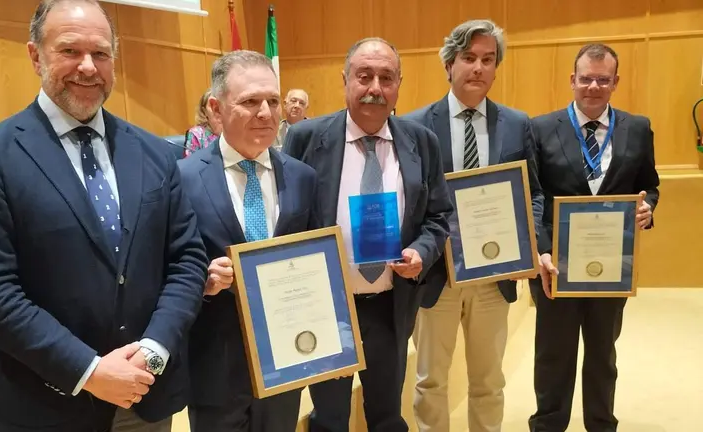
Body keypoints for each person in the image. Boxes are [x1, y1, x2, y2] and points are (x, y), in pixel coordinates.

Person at [0, 1, 208, 431]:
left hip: (145, 394)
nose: (88, 67)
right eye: (70, 50)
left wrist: (155, 349)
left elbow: (187, 260)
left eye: (101, 53)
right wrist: (90, 371)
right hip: (48, 402)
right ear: (35, 55)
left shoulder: (154, 153)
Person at [283, 37, 452, 432]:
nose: (375, 88)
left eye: (386, 78)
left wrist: (421, 252)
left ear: (398, 85)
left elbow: (439, 215)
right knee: (329, 418)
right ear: (345, 80)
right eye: (364, 76)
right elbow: (287, 220)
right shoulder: (305, 138)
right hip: (328, 307)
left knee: (387, 416)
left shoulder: (421, 142)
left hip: (391, 305)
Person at [404, 19, 544, 432]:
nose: (478, 67)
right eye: (468, 57)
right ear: (449, 64)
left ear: (496, 67)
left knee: (489, 382)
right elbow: (409, 203)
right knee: (430, 381)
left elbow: (534, 194)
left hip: (494, 275)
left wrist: (528, 245)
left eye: (488, 59)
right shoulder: (415, 126)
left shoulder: (517, 124)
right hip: (437, 276)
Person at [178, 50, 318, 432]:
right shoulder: (182, 179)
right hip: (215, 364)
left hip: (286, 358)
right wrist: (203, 279)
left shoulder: (303, 178)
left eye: (272, 100)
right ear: (216, 109)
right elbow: (165, 267)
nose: (266, 113)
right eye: (250, 101)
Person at [529, 43, 659, 432]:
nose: (593, 87)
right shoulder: (540, 128)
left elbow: (649, 185)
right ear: (572, 80)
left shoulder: (638, 128)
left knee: (603, 354)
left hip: (612, 266)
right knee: (553, 355)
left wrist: (648, 208)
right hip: (556, 266)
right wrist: (541, 250)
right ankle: (548, 425)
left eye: (603, 80)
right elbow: (534, 194)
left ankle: (602, 424)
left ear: (615, 82)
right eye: (586, 78)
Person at [184, 88, 223, 156]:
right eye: (212, 106)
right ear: (204, 111)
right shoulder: (197, 134)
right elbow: (191, 161)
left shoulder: (235, 130)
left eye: (221, 105)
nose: (217, 110)